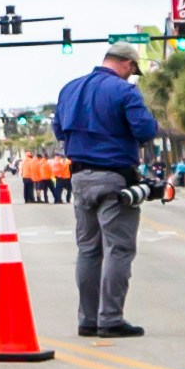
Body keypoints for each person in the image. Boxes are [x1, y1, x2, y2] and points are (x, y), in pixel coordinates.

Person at [47, 40, 158, 338]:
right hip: (114, 178)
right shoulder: (125, 91)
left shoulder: (69, 89)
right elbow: (146, 131)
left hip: (80, 179)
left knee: (88, 250)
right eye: (132, 71)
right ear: (127, 64)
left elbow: (58, 130)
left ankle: (87, 320)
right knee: (119, 249)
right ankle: (110, 319)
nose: (131, 76)